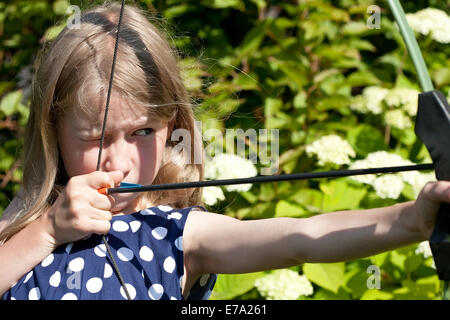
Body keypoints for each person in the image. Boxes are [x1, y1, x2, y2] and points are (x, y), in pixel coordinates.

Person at [0, 2, 447, 300]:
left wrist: (413, 220)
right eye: (97, 139)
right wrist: (47, 231)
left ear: (171, 127)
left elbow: (300, 239)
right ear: (52, 131)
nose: (119, 161)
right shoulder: (21, 228)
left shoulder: (173, 234)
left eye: (142, 133)